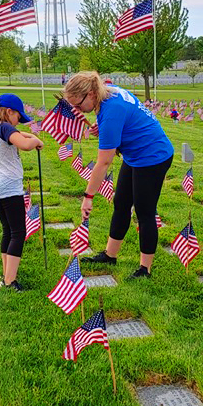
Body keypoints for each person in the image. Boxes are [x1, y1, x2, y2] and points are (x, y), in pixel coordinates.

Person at [63, 71, 174, 279]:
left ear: (91, 93)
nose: (78, 111)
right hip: (134, 155)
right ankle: (110, 254)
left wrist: (88, 197)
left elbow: (104, 163)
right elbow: (122, 125)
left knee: (145, 211)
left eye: (78, 105)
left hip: (153, 156)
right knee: (121, 203)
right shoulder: (108, 94)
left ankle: (145, 269)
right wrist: (105, 129)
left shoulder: (112, 108)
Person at [0, 93, 43, 291]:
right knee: (18, 232)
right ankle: (10, 281)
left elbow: (18, 135)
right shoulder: (6, 127)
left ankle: (7, 274)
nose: (19, 122)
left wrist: (32, 136)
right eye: (19, 116)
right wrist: (35, 142)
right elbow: (24, 145)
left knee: (7, 230)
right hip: (9, 186)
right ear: (9, 112)